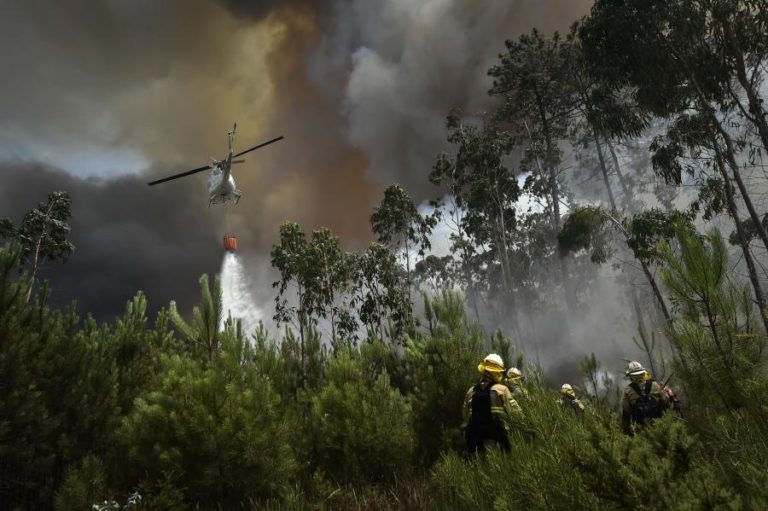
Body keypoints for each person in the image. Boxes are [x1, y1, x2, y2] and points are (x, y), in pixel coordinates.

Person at [463, 353, 525, 454]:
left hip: (477, 447)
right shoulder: (502, 390)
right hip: (498, 446)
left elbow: (465, 416)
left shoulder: (471, 391)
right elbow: (518, 415)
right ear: (496, 373)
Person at [621, 361, 670, 434]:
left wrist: (627, 432)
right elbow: (666, 401)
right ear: (643, 373)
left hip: (641, 430)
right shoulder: (655, 384)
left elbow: (626, 412)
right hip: (660, 426)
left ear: (631, 376)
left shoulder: (627, 390)